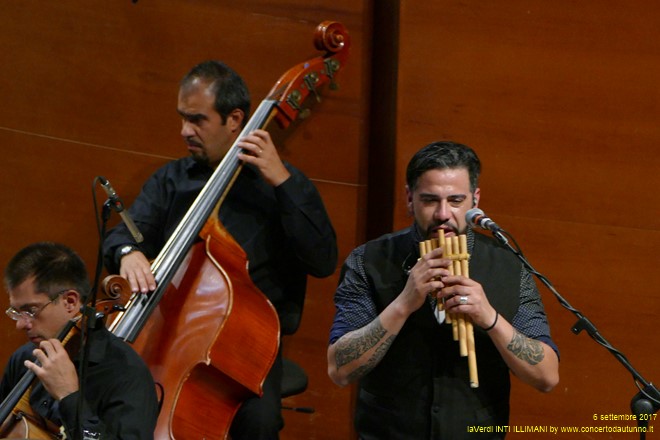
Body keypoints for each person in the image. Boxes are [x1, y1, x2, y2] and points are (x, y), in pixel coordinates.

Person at [102, 60, 338, 438]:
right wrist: (128, 253)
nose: (184, 131)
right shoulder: (170, 182)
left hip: (246, 348)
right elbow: (123, 234)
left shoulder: (281, 186)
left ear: (235, 119)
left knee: (259, 424)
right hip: (167, 333)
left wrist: (283, 183)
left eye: (197, 120)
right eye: (182, 118)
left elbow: (323, 260)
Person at [327, 141, 559, 439]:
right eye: (429, 200)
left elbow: (547, 377)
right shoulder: (367, 261)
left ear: (475, 201)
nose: (442, 214)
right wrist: (404, 303)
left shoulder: (512, 268)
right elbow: (340, 370)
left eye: (456, 200)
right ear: (409, 199)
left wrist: (488, 317)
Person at [0, 242, 158, 439]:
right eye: (17, 312)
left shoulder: (127, 376)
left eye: (30, 310)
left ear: (70, 301)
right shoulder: (25, 359)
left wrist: (69, 396)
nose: (21, 325)